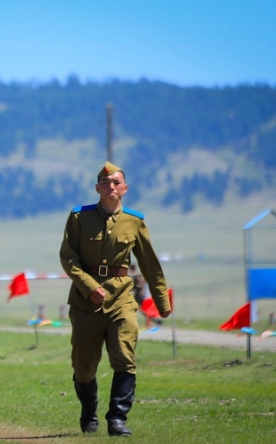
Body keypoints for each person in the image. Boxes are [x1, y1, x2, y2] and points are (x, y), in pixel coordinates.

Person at [59, 161, 171, 437]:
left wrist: (161, 301)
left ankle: (117, 418)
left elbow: (150, 264)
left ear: (125, 188)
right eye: (106, 183)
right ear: (97, 188)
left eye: (116, 182)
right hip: (86, 301)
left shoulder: (135, 221)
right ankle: (89, 410)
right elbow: (68, 257)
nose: (111, 187)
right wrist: (88, 285)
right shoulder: (78, 217)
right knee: (83, 366)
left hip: (122, 297)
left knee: (124, 357)